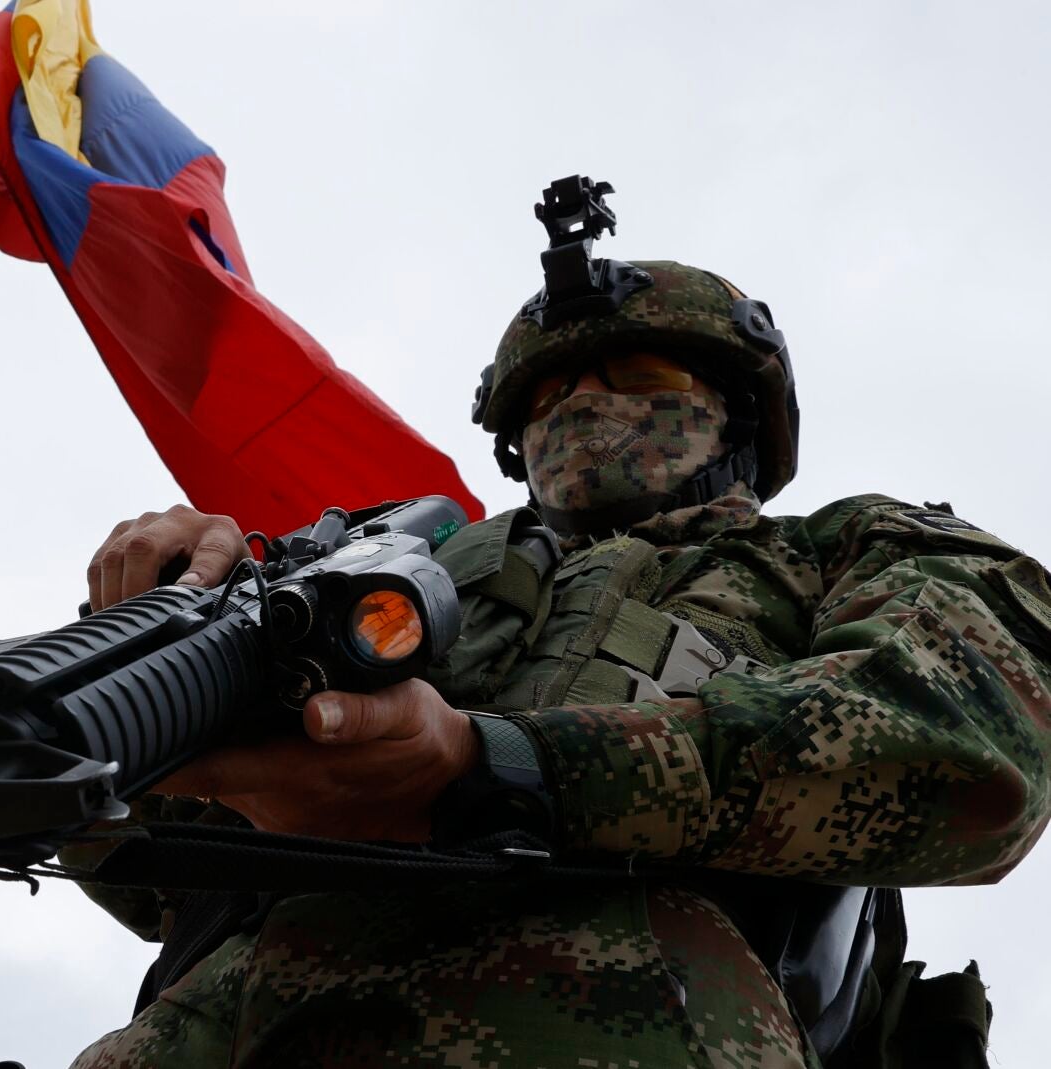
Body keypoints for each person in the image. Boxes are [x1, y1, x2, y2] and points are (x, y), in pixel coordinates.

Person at [62, 178, 1051, 1069]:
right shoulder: (387, 573)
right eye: (547, 394)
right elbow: (145, 870)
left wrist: (495, 769)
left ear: (739, 419)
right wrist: (155, 639)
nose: (581, 406)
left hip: (622, 1017)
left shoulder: (845, 550)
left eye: (640, 377)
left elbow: (969, 746)